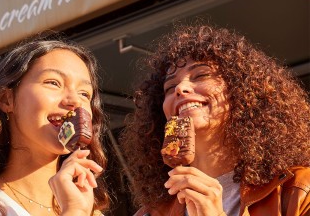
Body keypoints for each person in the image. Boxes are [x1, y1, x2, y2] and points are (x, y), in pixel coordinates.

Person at [119, 24, 310, 215]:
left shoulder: (299, 191)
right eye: (170, 87)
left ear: (241, 91)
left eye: (201, 75)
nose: (181, 88)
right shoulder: (150, 213)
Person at [0, 38, 112, 215]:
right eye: (53, 83)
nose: (74, 101)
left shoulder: (90, 210)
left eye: (84, 93)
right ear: (6, 99)